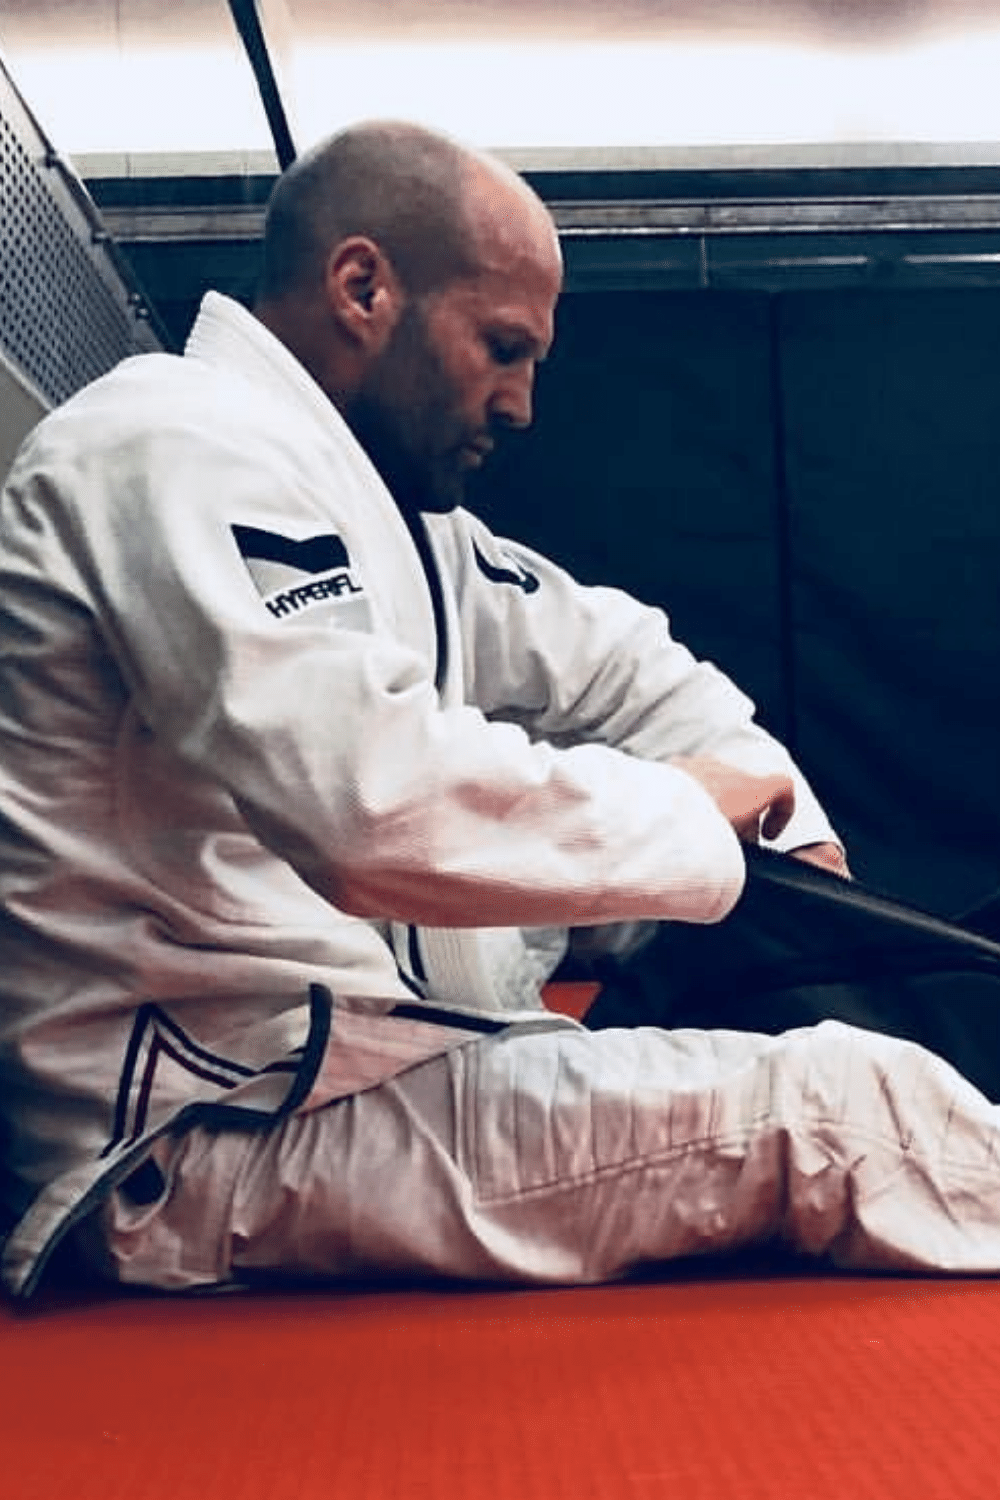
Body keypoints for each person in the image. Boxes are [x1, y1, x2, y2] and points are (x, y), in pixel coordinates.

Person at [1, 120, 998, 1300]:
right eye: (503, 347)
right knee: (844, 1107)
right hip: (203, 1135)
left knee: (765, 1011)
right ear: (363, 286)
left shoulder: (391, 519)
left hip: (333, 1075)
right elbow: (368, 804)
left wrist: (782, 824)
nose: (522, 404)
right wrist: (687, 812)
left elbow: (620, 659)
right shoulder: (171, 444)